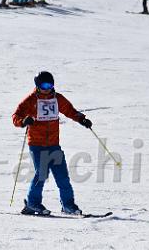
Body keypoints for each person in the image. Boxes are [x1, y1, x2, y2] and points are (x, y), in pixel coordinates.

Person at [12, 71, 92, 216]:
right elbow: (16, 116)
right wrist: (23, 121)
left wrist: (81, 119)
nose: (47, 89)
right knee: (42, 174)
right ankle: (32, 203)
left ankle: (68, 205)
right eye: (44, 86)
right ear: (37, 85)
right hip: (37, 144)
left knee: (62, 176)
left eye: (50, 85)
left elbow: (70, 111)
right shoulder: (31, 100)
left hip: (54, 144)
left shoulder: (57, 98)